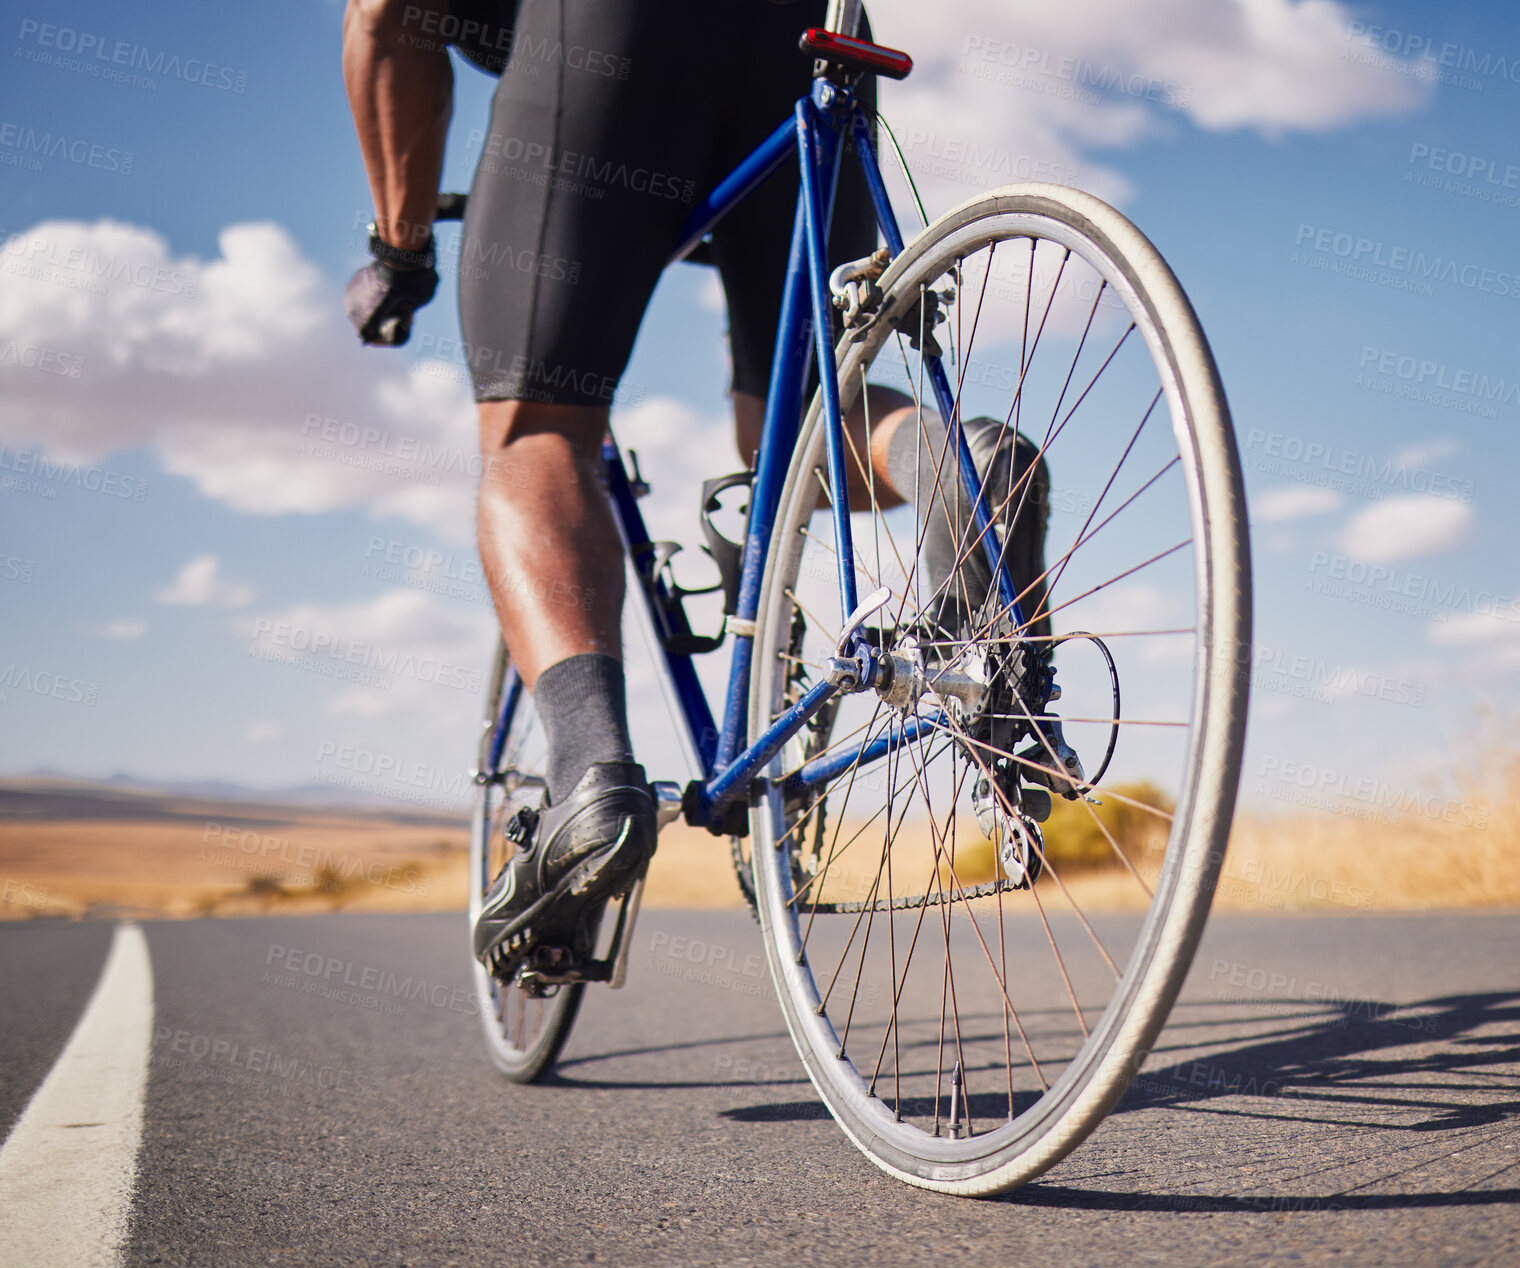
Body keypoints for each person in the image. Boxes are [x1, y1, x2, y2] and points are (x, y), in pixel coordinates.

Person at [341, 0, 1051, 981]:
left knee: (538, 426)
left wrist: (399, 247)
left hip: (605, 39)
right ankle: (960, 463)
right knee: (801, 429)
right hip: (802, 37)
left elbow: (384, 15)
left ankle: (589, 776)